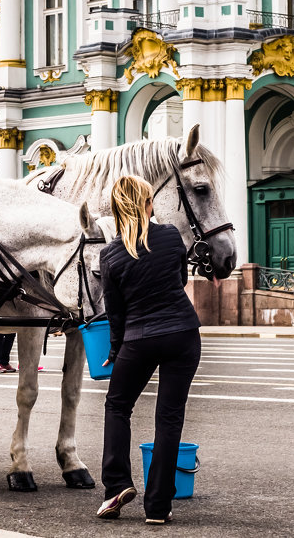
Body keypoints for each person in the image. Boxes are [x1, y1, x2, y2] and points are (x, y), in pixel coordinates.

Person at [96, 175, 201, 526]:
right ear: (149, 203)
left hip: (138, 337)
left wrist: (114, 349)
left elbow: (116, 311)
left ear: (115, 209)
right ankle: (158, 507)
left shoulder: (110, 255)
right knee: (169, 417)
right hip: (183, 333)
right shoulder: (171, 236)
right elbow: (180, 281)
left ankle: (116, 486)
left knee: (118, 406)